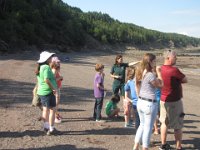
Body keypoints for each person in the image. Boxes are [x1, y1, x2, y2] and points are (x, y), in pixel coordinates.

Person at [133, 53, 163, 150]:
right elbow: (160, 85)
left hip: (141, 101)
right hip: (149, 104)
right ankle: (145, 148)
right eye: (154, 61)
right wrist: (159, 72)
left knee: (142, 125)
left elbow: (137, 85)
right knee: (148, 128)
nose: (155, 63)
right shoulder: (150, 74)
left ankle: (136, 146)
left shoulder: (142, 71)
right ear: (150, 62)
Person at [159, 50, 187, 150]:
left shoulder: (160, 69)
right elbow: (185, 80)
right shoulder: (174, 70)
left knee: (164, 123)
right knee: (178, 125)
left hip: (163, 100)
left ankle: (163, 144)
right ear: (168, 58)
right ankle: (178, 146)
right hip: (174, 101)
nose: (176, 58)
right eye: (174, 57)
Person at [35, 51, 58, 136]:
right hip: (47, 91)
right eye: (50, 57)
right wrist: (53, 89)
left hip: (42, 91)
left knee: (45, 109)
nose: (51, 58)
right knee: (52, 109)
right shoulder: (46, 67)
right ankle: (51, 128)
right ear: (46, 59)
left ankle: (46, 127)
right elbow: (46, 80)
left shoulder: (40, 66)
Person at [51, 56, 63, 124]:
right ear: (54, 63)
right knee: (56, 103)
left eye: (59, 62)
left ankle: (56, 114)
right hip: (55, 88)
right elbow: (53, 80)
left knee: (56, 103)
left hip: (57, 87)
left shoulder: (56, 69)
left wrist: (60, 77)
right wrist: (60, 78)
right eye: (57, 62)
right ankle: (55, 116)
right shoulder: (54, 70)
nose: (59, 63)